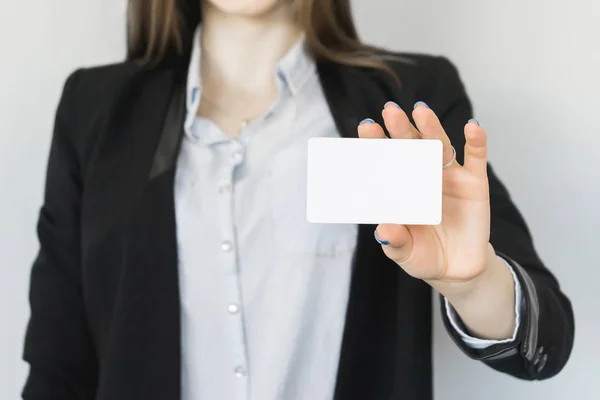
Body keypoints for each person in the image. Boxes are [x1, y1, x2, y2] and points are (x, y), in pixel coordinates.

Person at [21, 0, 575, 399]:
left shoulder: (410, 99)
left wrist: (473, 284)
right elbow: (58, 364)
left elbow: (544, 339)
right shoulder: (93, 110)